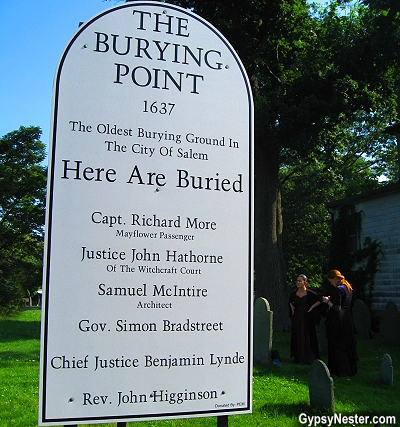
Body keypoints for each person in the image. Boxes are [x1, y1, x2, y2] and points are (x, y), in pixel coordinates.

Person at [322, 269, 359, 376]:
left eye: (330, 281)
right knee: (346, 342)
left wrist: (327, 301)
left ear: (335, 278)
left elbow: (337, 307)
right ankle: (349, 369)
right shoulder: (347, 287)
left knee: (337, 343)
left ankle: (339, 368)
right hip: (347, 317)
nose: (331, 283)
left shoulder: (338, 289)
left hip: (338, 319)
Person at [289, 274, 321, 365]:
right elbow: (290, 301)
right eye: (297, 281)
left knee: (306, 336)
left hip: (306, 318)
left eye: (300, 281)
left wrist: (312, 308)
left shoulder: (309, 293)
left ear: (305, 283)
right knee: (298, 336)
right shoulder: (293, 293)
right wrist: (292, 308)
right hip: (297, 317)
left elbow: (319, 299)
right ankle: (298, 357)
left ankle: (308, 357)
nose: (298, 282)